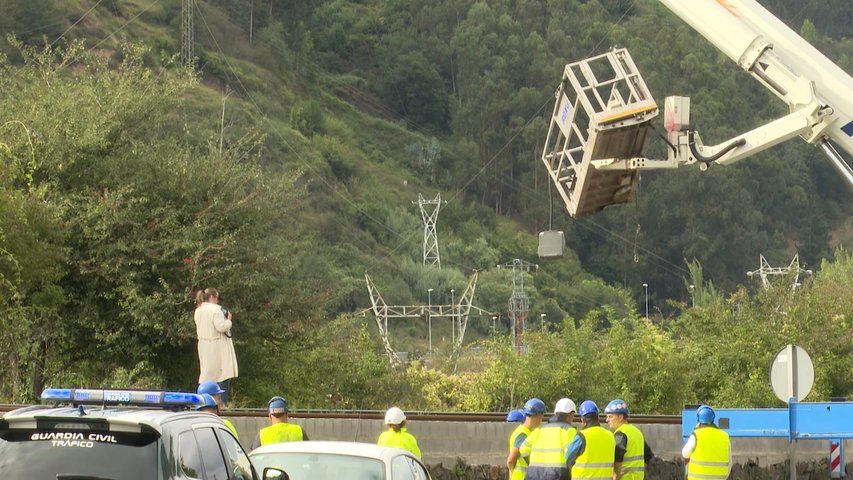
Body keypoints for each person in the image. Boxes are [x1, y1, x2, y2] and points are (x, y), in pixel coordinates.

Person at [194, 287, 238, 405]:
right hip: (218, 347)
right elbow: (221, 327)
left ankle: (203, 402)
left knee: (206, 375)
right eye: (217, 298)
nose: (218, 301)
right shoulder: (215, 310)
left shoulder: (198, 310)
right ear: (213, 297)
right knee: (223, 375)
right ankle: (221, 403)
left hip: (204, 346)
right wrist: (229, 320)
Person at [519, 398, 578, 480]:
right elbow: (572, 456)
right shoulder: (569, 431)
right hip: (557, 475)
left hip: (533, 475)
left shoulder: (539, 430)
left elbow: (523, 450)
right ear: (570, 415)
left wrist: (534, 465)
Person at [604, 399, 653, 480]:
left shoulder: (621, 434)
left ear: (620, 417)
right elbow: (649, 457)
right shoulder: (637, 432)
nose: (607, 420)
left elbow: (618, 456)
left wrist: (615, 476)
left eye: (610, 416)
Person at [567, 401, 616, 479]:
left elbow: (568, 458)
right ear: (598, 417)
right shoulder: (610, 436)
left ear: (583, 420)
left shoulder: (581, 436)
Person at [682, 405, 731, 480]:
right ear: (713, 419)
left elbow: (685, 453)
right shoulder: (725, 436)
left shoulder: (696, 435)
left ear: (698, 420)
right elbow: (729, 463)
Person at [507, 398, 546, 480]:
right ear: (538, 415)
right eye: (542, 415)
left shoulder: (524, 431)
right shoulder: (523, 435)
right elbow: (510, 461)